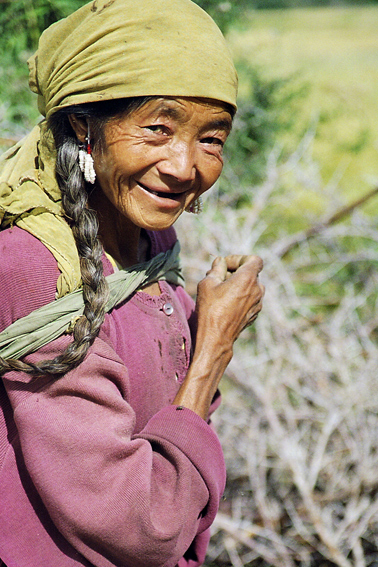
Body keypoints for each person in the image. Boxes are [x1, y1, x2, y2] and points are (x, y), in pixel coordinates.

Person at [0, 0, 264, 566]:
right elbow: (142, 524)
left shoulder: (150, 245)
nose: (183, 166)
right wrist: (212, 347)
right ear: (82, 125)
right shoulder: (38, 270)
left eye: (211, 138)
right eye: (157, 129)